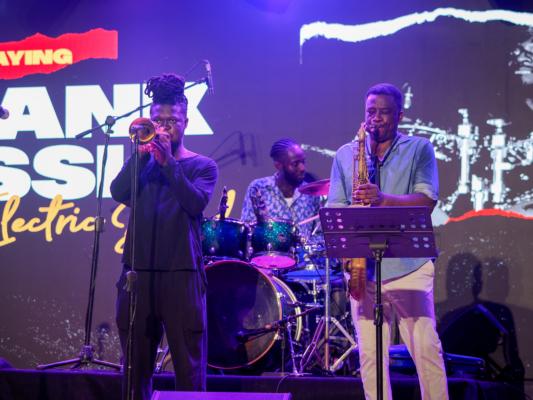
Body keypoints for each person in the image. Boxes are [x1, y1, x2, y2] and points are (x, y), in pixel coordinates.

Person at [327, 83, 449, 400]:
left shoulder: (419, 149)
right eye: (371, 112)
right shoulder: (346, 154)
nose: (376, 118)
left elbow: (426, 200)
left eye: (384, 112)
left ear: (399, 116)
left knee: (425, 349)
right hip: (362, 268)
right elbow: (335, 206)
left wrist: (382, 199)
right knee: (370, 356)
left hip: (409, 266)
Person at [110, 73, 218, 400]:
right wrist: (142, 155)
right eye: (157, 120)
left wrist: (168, 162)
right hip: (137, 273)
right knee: (135, 368)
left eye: (172, 121)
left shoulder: (203, 166)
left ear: (186, 122)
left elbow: (194, 202)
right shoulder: (141, 165)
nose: (164, 127)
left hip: (181, 274)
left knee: (188, 367)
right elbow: (118, 192)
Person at [241, 138, 321, 244]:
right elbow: (247, 229)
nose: (302, 168)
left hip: (304, 254)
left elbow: (320, 234)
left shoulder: (311, 193)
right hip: (267, 252)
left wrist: (308, 247)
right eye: (295, 164)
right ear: (278, 166)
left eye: (303, 162)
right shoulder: (258, 188)